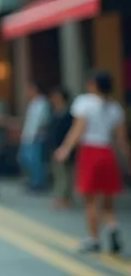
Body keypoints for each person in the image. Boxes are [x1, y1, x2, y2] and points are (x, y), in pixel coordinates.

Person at [55, 70, 130, 254]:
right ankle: (112, 227)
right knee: (108, 200)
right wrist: (128, 159)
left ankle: (94, 238)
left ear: (94, 85)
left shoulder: (85, 103)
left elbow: (78, 129)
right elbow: (121, 139)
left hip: (90, 152)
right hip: (107, 153)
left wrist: (65, 148)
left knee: (90, 200)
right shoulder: (115, 108)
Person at [19, 82, 51, 191]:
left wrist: (37, 134)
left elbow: (42, 121)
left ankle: (38, 183)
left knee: (36, 161)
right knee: (26, 159)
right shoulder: (33, 103)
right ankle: (33, 180)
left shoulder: (43, 103)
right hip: (28, 135)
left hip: (36, 137)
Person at [47, 86, 74, 209]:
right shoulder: (54, 112)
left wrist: (65, 148)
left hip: (64, 148)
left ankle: (64, 198)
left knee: (65, 174)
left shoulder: (68, 115)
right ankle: (61, 197)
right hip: (54, 147)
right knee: (59, 173)